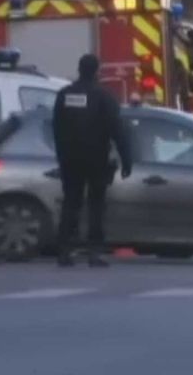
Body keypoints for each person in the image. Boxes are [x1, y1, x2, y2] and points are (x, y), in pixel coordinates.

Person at [52, 54, 132, 268]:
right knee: (96, 205)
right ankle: (94, 252)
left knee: (71, 203)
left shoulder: (64, 95)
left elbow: (57, 129)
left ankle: (64, 250)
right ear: (97, 71)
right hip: (96, 159)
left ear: (79, 70)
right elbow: (117, 130)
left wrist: (61, 156)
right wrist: (127, 159)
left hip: (70, 160)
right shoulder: (103, 96)